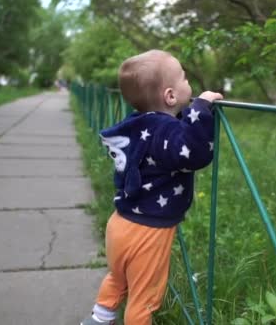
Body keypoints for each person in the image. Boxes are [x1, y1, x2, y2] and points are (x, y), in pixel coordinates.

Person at [81, 50, 223, 325]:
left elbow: (169, 140)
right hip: (147, 230)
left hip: (120, 222)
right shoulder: (164, 131)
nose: (188, 82)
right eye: (183, 77)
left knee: (118, 278)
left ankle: (99, 319)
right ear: (170, 96)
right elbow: (193, 153)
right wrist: (200, 109)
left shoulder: (138, 125)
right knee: (144, 297)